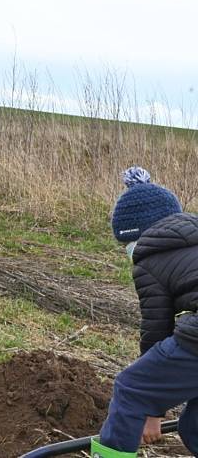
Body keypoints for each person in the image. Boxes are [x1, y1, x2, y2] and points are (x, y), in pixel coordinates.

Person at [92, 166, 198, 457]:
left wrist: (152, 408)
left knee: (131, 388)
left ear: (136, 234)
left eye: (126, 244)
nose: (128, 250)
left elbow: (156, 330)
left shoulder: (148, 257)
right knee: (193, 425)